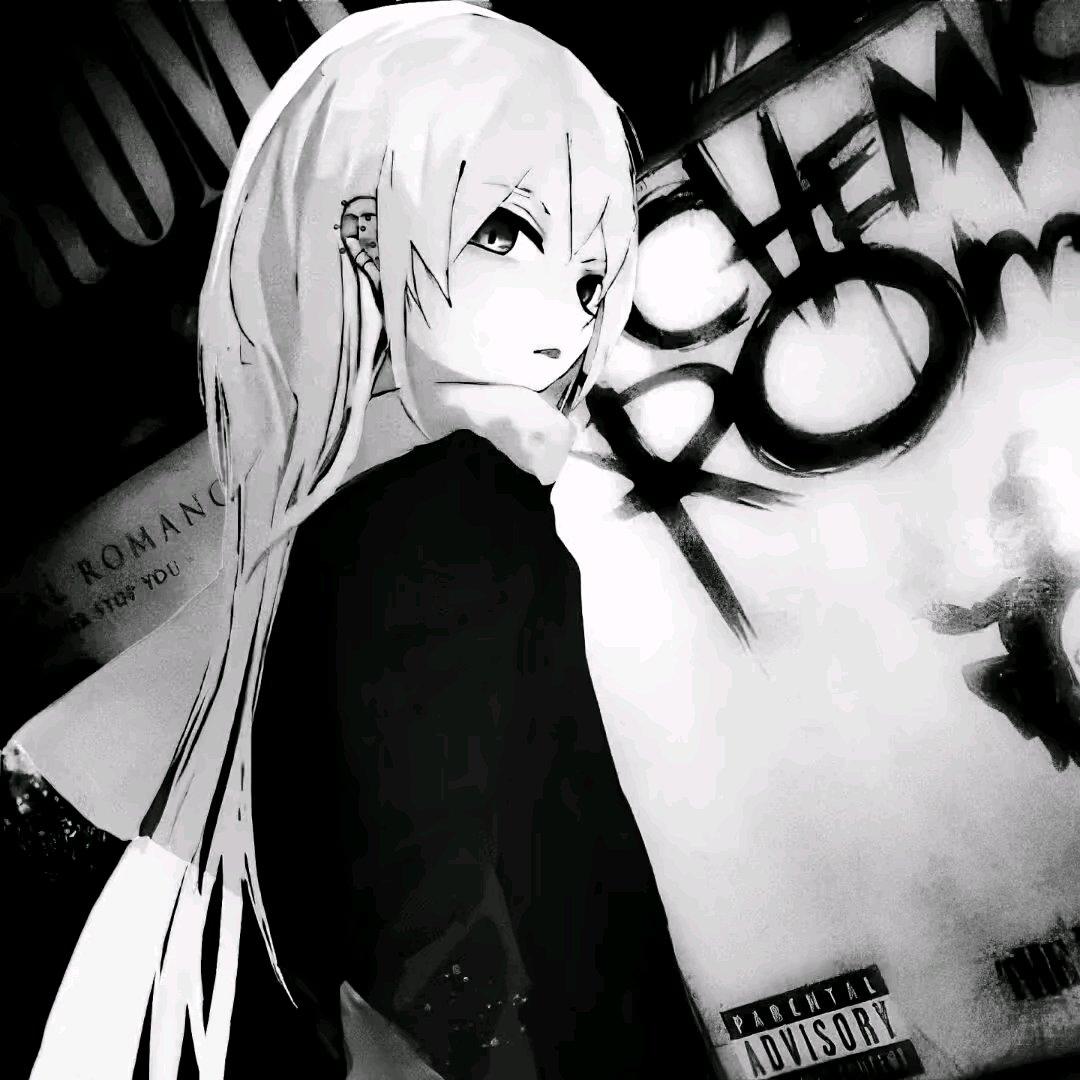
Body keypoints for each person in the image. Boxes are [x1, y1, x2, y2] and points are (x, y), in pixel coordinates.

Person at [30, 5, 718, 1078]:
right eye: (506, 237)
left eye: (590, 280)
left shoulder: (345, 522)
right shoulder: (443, 505)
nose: (564, 320)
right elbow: (438, 912)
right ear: (370, 244)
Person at [927, 432, 1080, 771]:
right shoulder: (1010, 590)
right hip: (1034, 689)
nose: (999, 541)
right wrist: (935, 612)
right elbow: (973, 618)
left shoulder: (1065, 569)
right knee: (978, 676)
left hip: (1062, 685)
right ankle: (1051, 737)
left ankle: (1057, 736)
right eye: (996, 531)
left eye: (1008, 530)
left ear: (1038, 525)